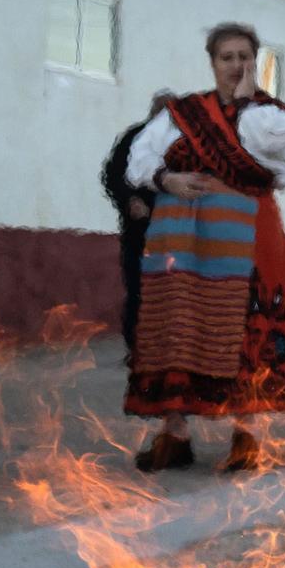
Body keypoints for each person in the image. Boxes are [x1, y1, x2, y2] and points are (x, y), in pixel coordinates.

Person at [124, 24, 285, 472]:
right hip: (183, 232)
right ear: (212, 62)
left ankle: (247, 434)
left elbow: (269, 143)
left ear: (254, 63)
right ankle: (175, 434)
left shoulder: (274, 115)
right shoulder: (183, 112)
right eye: (227, 57)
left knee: (247, 326)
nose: (235, 65)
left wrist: (250, 94)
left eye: (244, 57)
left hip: (250, 232)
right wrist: (167, 179)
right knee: (180, 324)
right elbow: (140, 158)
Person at [101, 92, 174, 368]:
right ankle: (138, 350)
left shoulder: (185, 147)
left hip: (175, 234)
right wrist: (129, 200)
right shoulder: (134, 139)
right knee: (138, 289)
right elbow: (112, 175)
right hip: (138, 232)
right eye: (160, 111)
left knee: (174, 291)